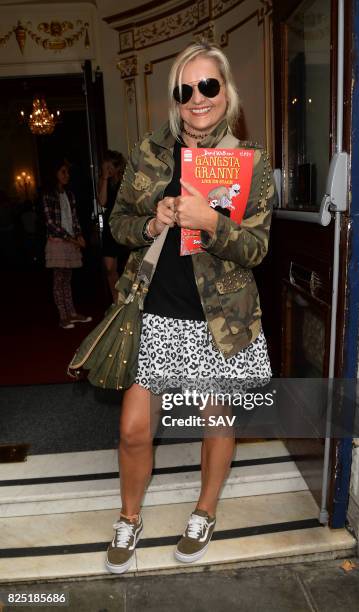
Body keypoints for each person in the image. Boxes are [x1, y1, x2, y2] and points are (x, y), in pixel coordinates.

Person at [106, 41, 276, 573]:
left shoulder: (250, 162)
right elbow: (117, 226)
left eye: (209, 85)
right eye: (187, 89)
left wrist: (211, 223)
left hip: (220, 319)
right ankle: (129, 518)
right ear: (176, 98)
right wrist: (153, 223)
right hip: (156, 313)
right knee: (134, 427)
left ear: (227, 93)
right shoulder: (148, 153)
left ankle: (204, 511)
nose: (198, 98)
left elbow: (258, 248)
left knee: (216, 421)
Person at [42, 158, 92, 329]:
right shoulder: (48, 194)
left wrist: (79, 235)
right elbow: (50, 223)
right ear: (55, 174)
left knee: (67, 279)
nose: (67, 175)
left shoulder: (69, 195)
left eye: (67, 172)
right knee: (59, 280)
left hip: (69, 240)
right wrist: (70, 238)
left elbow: (74, 218)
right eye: (63, 172)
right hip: (57, 241)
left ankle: (71, 313)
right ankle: (63, 316)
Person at [97, 150, 127, 303]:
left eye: (109, 168)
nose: (107, 171)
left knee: (124, 268)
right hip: (109, 226)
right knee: (109, 268)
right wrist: (104, 178)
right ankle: (115, 300)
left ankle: (124, 301)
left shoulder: (125, 181)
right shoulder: (105, 181)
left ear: (117, 167)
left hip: (122, 225)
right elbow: (102, 202)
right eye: (104, 168)